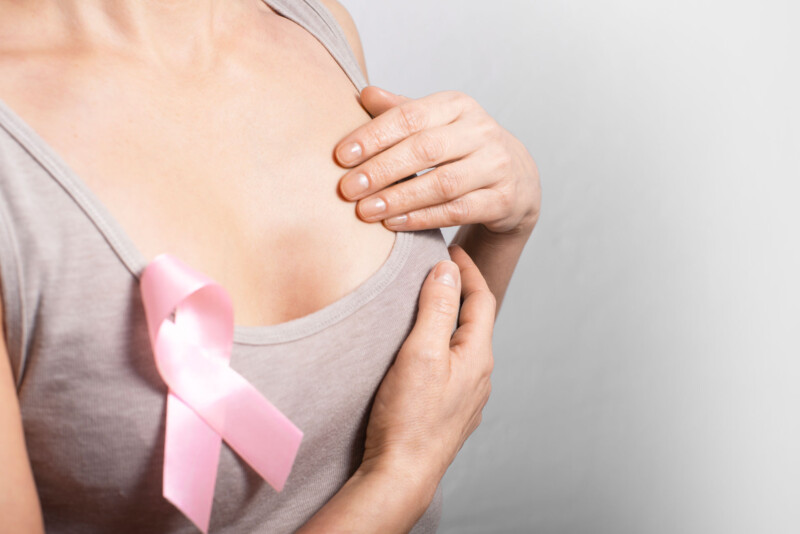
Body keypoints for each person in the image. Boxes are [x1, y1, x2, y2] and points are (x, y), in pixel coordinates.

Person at [0, 0, 540, 532]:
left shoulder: (316, 25)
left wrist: (506, 226)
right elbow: (419, 445)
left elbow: (432, 383)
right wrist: (401, 477)